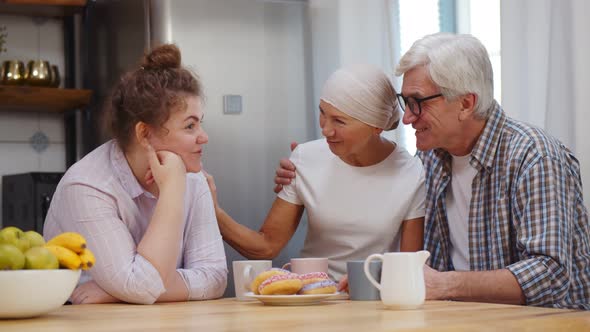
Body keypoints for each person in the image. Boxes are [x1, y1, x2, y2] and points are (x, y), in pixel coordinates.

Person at [275, 33, 590, 309]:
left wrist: (446, 285)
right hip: (462, 318)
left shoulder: (534, 156)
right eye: (404, 102)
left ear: (466, 104)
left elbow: (552, 273)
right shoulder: (430, 162)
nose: (407, 119)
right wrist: (308, 171)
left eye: (417, 103)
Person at [205, 64, 426, 284]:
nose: (326, 129)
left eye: (339, 121)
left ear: (376, 126)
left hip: (375, 298)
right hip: (313, 298)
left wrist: (366, 283)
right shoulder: (305, 158)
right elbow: (267, 246)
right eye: (323, 113)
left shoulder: (411, 172)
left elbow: (409, 268)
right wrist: (213, 212)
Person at [43, 44, 228, 305]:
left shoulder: (192, 178)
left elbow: (215, 277)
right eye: (190, 126)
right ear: (144, 133)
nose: (204, 137)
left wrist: (114, 293)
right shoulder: (87, 186)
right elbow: (139, 287)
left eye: (201, 122)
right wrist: (173, 190)